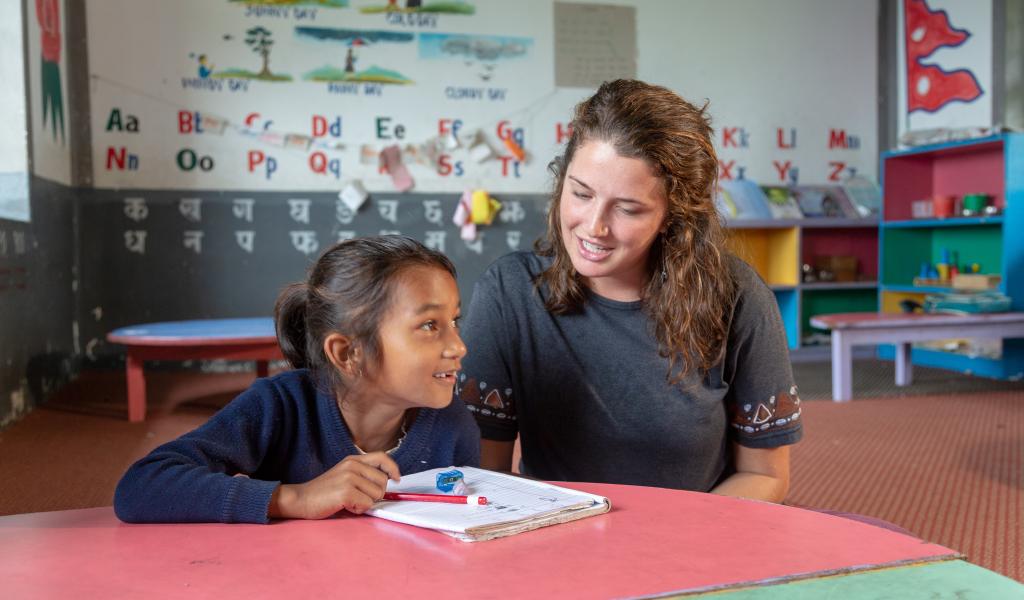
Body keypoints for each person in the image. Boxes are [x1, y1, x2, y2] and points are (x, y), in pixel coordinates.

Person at [457, 79, 802, 503]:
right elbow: (482, 477)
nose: (594, 226)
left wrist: (669, 544)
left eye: (628, 208)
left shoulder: (737, 296)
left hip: (697, 544)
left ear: (673, 216)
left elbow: (766, 476)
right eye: (581, 193)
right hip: (554, 542)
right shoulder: (510, 292)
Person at [115, 236, 479, 523]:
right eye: (430, 325)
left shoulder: (453, 424)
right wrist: (295, 498)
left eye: (454, 321)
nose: (458, 345)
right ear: (347, 353)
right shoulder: (280, 406)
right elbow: (141, 486)